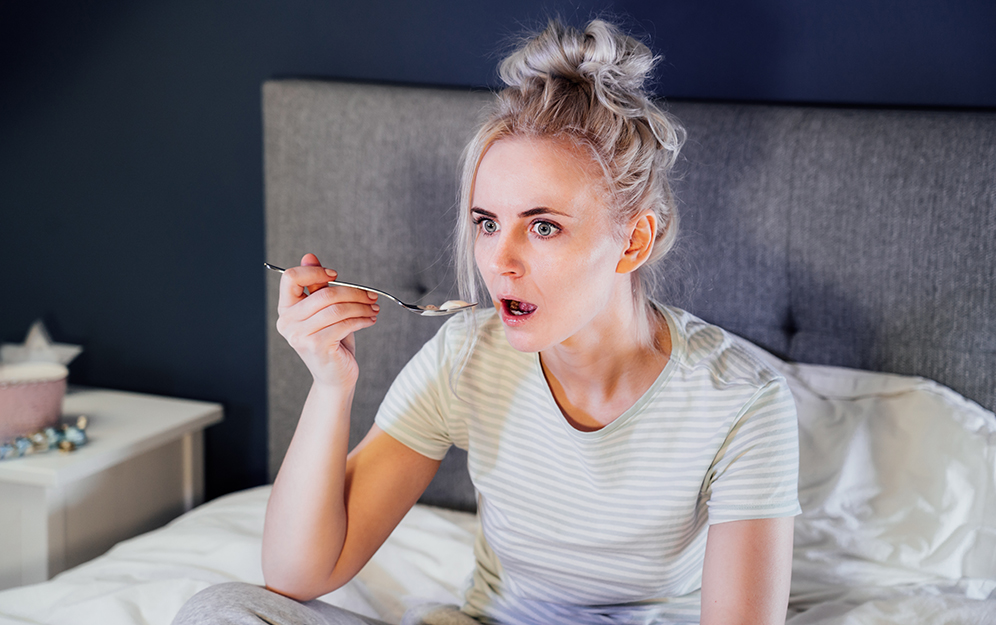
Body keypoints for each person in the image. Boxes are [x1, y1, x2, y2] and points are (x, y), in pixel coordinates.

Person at [174, 17, 800, 625]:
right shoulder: (467, 357)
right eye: (486, 222)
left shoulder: (743, 403)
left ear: (633, 242)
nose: (499, 262)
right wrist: (329, 385)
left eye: (544, 226)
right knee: (221, 611)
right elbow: (296, 575)